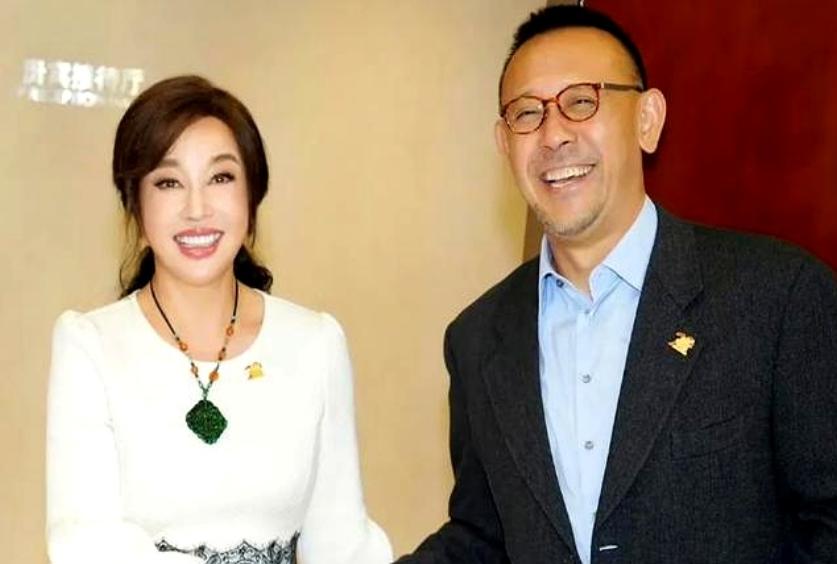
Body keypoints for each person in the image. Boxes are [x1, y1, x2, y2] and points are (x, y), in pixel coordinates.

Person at [398, 5, 837, 563]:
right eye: (527, 113)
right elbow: (483, 537)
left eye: (582, 101)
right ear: (504, 143)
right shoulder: (478, 338)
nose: (554, 135)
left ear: (647, 120)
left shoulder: (778, 297)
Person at [46, 75, 392, 564]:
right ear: (135, 207)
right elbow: (86, 542)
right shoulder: (90, 344)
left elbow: (341, 540)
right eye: (168, 182)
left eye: (221, 177)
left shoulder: (315, 342)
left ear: (252, 199)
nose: (197, 209)